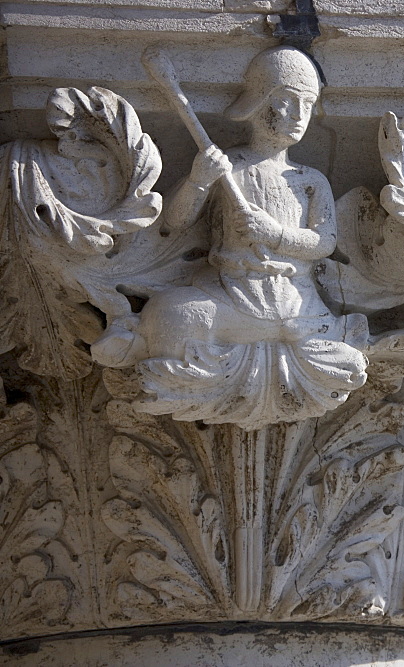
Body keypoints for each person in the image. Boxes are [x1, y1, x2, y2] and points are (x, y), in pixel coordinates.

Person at [108, 46, 367, 428]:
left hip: (290, 295)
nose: (298, 116)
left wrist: (275, 234)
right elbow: (176, 222)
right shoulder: (230, 166)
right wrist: (199, 178)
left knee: (326, 349)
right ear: (260, 104)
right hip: (230, 288)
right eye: (286, 102)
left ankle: (321, 338)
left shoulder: (310, 181)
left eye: (307, 105)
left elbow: (324, 242)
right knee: (174, 312)